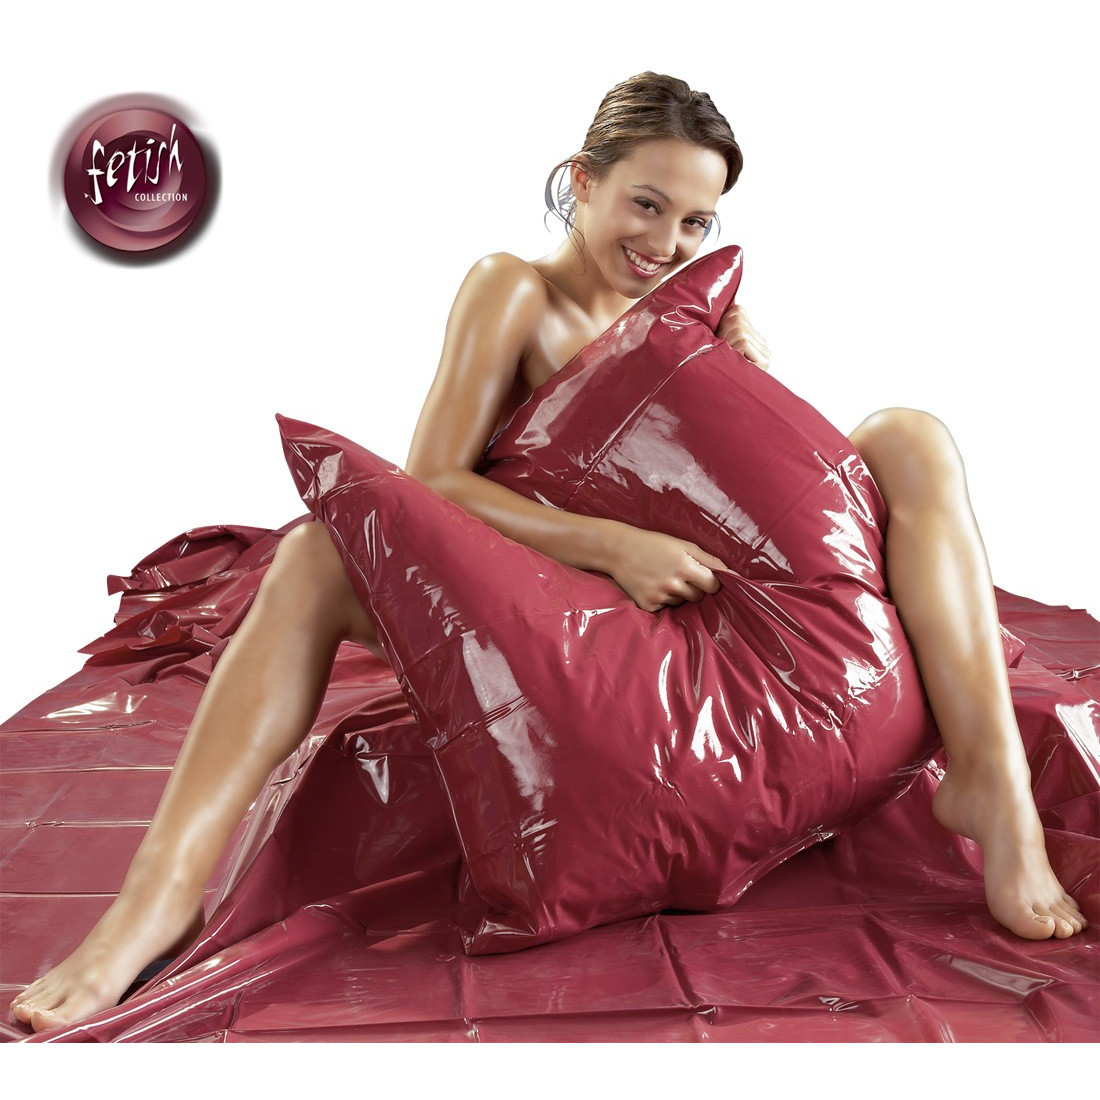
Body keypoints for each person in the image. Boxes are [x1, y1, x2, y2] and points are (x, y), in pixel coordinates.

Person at [10, 71, 1086, 1034]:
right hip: (561, 603)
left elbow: (777, 509)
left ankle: (990, 789)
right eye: (645, 204)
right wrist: (614, 545)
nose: (665, 241)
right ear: (582, 181)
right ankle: (151, 905)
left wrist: (750, 374)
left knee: (909, 432)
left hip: (703, 623)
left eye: (696, 220)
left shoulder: (692, 311)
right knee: (314, 555)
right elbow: (432, 481)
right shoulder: (513, 288)